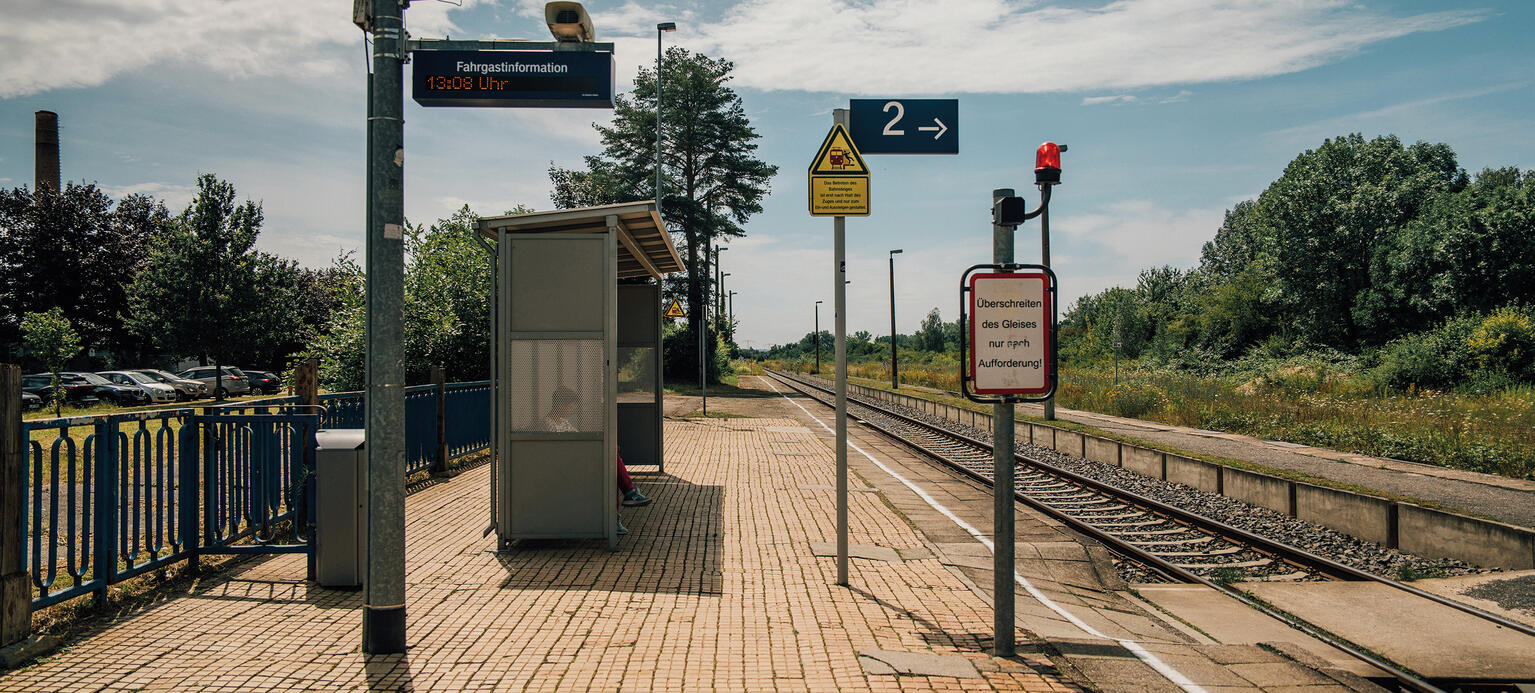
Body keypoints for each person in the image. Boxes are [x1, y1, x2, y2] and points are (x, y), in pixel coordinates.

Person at [543, 386, 651, 535]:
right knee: (611, 462)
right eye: (570, 406)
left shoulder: (563, 421)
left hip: (578, 459)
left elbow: (578, 439)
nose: (571, 410)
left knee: (611, 465)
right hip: (568, 465)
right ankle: (627, 496)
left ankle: (621, 505)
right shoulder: (549, 424)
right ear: (560, 404)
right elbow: (563, 449)